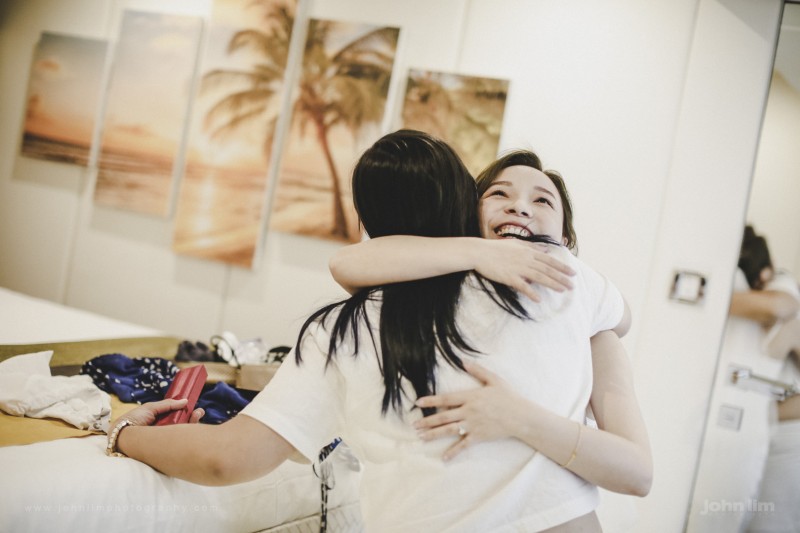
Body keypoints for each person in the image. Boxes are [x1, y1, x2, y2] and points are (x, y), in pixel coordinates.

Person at [107, 130, 651, 532]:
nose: (519, 211)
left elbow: (228, 458)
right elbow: (353, 264)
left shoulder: (343, 329)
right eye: (500, 196)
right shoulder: (570, 288)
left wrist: (127, 434)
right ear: (467, 211)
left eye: (541, 201)